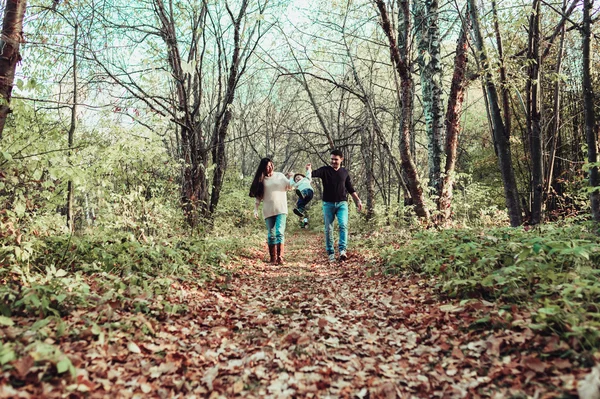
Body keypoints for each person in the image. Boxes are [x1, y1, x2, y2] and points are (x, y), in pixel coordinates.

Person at [308, 149, 362, 263]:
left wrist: (358, 200)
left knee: (343, 225)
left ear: (341, 159)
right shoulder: (325, 170)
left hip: (342, 203)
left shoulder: (344, 172)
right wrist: (308, 170)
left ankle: (342, 251)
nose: (333, 161)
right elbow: (313, 174)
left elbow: (350, 188)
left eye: (336, 159)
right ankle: (331, 253)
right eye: (332, 159)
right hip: (328, 204)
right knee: (329, 229)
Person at [249, 158, 293, 265]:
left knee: (279, 232)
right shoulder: (262, 180)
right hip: (268, 210)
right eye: (266, 167)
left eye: (270, 165)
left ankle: (280, 257)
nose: (269, 168)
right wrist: (255, 209)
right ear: (263, 168)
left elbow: (290, 186)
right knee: (271, 235)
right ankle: (273, 258)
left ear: (272, 165)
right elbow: (258, 197)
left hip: (281, 209)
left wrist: (292, 177)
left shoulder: (280, 176)